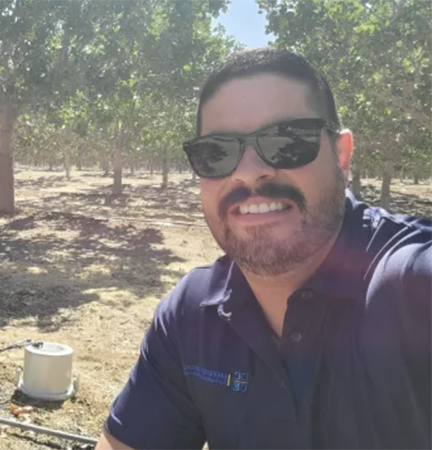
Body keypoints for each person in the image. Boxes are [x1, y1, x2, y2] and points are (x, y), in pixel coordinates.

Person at [96, 48, 432, 450]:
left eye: (287, 141)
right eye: (218, 152)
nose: (248, 171)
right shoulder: (191, 315)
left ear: (341, 155)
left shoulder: (413, 287)